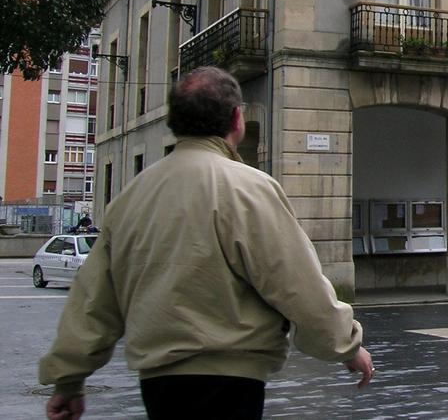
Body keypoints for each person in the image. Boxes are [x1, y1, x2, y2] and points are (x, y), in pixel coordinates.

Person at [39, 67, 373, 420]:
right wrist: (345, 345)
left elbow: (93, 299)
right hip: (231, 379)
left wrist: (69, 380)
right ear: (236, 118)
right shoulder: (248, 189)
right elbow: (295, 281)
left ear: (174, 122)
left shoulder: (131, 197)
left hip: (158, 383)